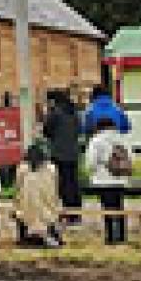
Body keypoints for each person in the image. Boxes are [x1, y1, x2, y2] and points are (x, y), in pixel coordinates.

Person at [85, 117, 133, 245]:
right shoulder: (123, 139)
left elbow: (91, 163)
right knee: (119, 207)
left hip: (103, 180)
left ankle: (111, 236)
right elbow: (131, 159)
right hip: (121, 180)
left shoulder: (96, 141)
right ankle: (122, 236)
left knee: (107, 208)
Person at [42, 90, 83, 225]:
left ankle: (64, 213)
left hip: (58, 154)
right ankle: (75, 214)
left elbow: (46, 131)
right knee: (73, 183)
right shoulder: (74, 113)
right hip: (73, 153)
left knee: (61, 185)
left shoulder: (55, 114)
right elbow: (79, 130)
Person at [12, 141, 63, 247]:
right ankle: (51, 235)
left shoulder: (22, 169)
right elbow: (56, 186)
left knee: (20, 209)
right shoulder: (51, 168)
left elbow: (17, 187)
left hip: (29, 207)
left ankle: (25, 236)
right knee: (51, 210)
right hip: (46, 207)